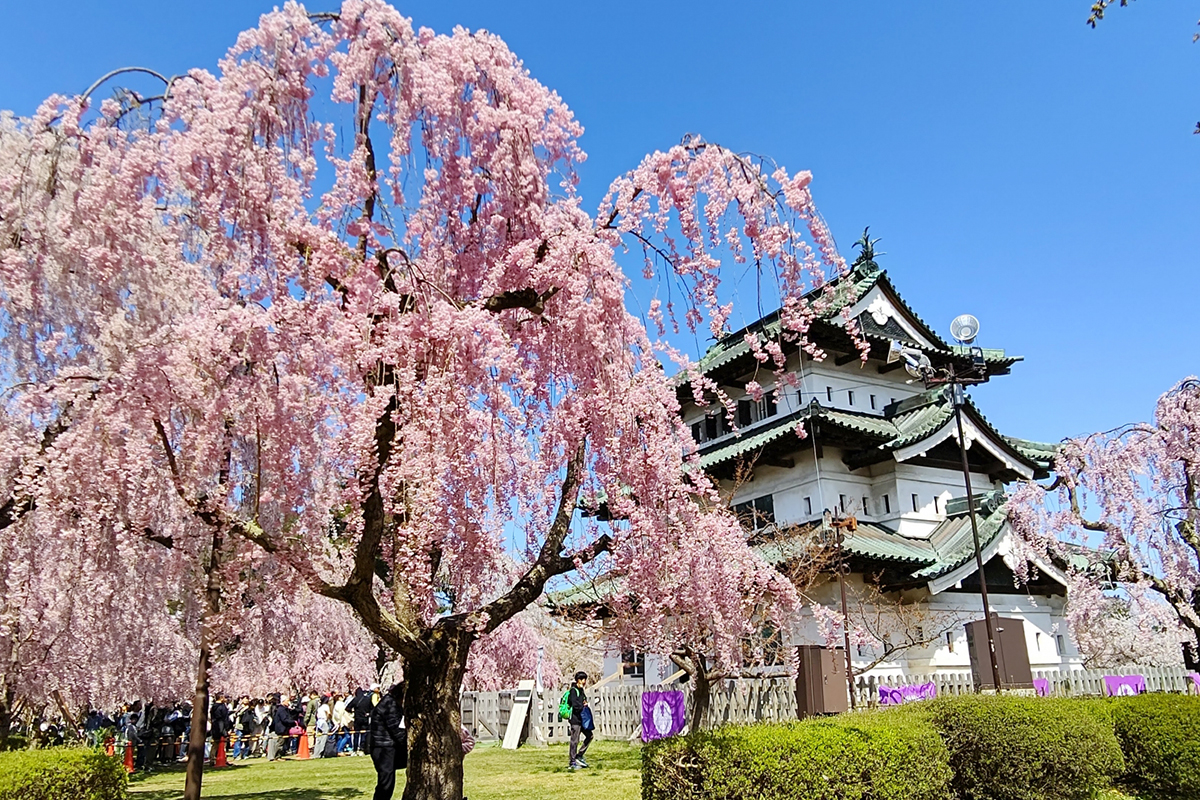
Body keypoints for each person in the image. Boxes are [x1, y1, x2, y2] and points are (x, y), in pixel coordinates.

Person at [368, 682, 407, 800]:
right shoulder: (389, 705)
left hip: (385, 746)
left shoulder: (389, 702)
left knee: (386, 781)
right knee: (386, 783)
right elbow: (396, 730)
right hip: (383, 747)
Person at [567, 671, 593, 770]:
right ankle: (572, 762)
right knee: (575, 740)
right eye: (583, 679)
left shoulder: (581, 691)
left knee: (590, 736)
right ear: (578, 680)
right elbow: (575, 705)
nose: (585, 681)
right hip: (575, 720)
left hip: (582, 720)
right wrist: (583, 705)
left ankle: (579, 755)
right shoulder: (573, 691)